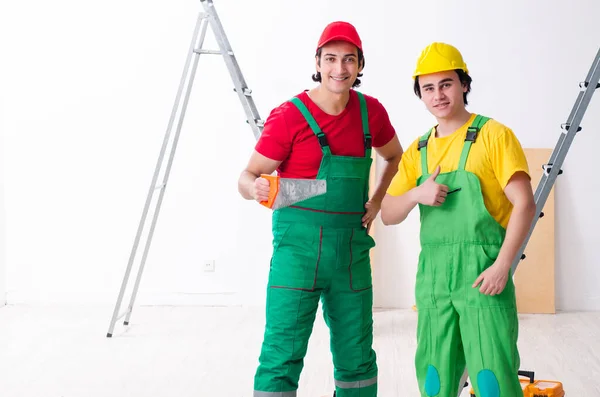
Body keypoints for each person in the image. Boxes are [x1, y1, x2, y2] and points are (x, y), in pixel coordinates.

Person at [237, 20, 403, 397]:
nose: (339, 69)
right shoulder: (289, 116)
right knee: (282, 354)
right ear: (318, 61)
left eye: (349, 60)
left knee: (357, 358)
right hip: (297, 251)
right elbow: (246, 177)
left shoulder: (370, 113)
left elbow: (394, 157)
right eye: (331, 59)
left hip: (351, 253)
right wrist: (255, 187)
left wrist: (375, 202)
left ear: (360, 65)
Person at [381, 42, 536, 397]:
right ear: (420, 94)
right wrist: (415, 195)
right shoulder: (418, 149)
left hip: (482, 273)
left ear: (464, 84)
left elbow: (524, 203)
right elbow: (388, 214)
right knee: (435, 378)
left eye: (446, 84)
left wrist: (502, 265)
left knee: (492, 377)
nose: (438, 95)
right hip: (434, 279)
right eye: (428, 88)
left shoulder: (493, 135)